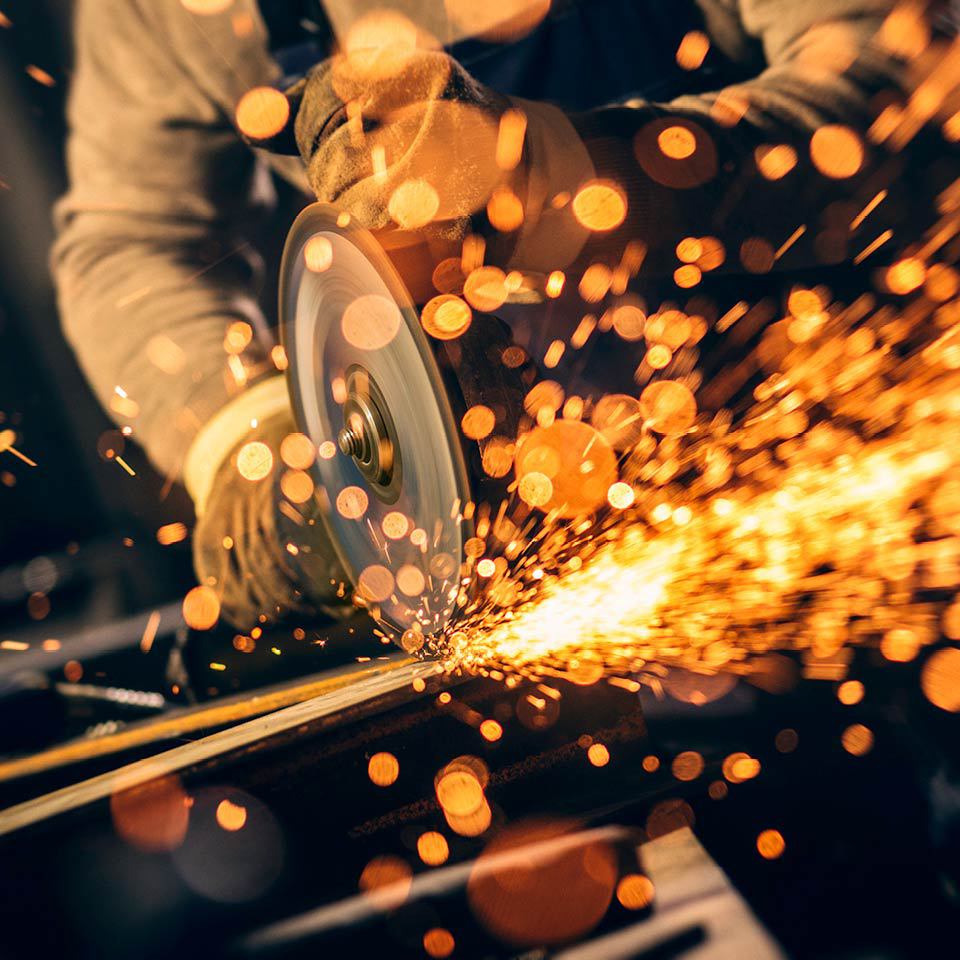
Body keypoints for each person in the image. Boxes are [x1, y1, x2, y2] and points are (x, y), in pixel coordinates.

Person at [53, 0, 926, 631]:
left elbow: (909, 87)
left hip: (873, 506)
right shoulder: (172, 12)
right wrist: (243, 429)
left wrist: (542, 175)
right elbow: (133, 242)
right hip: (564, 604)